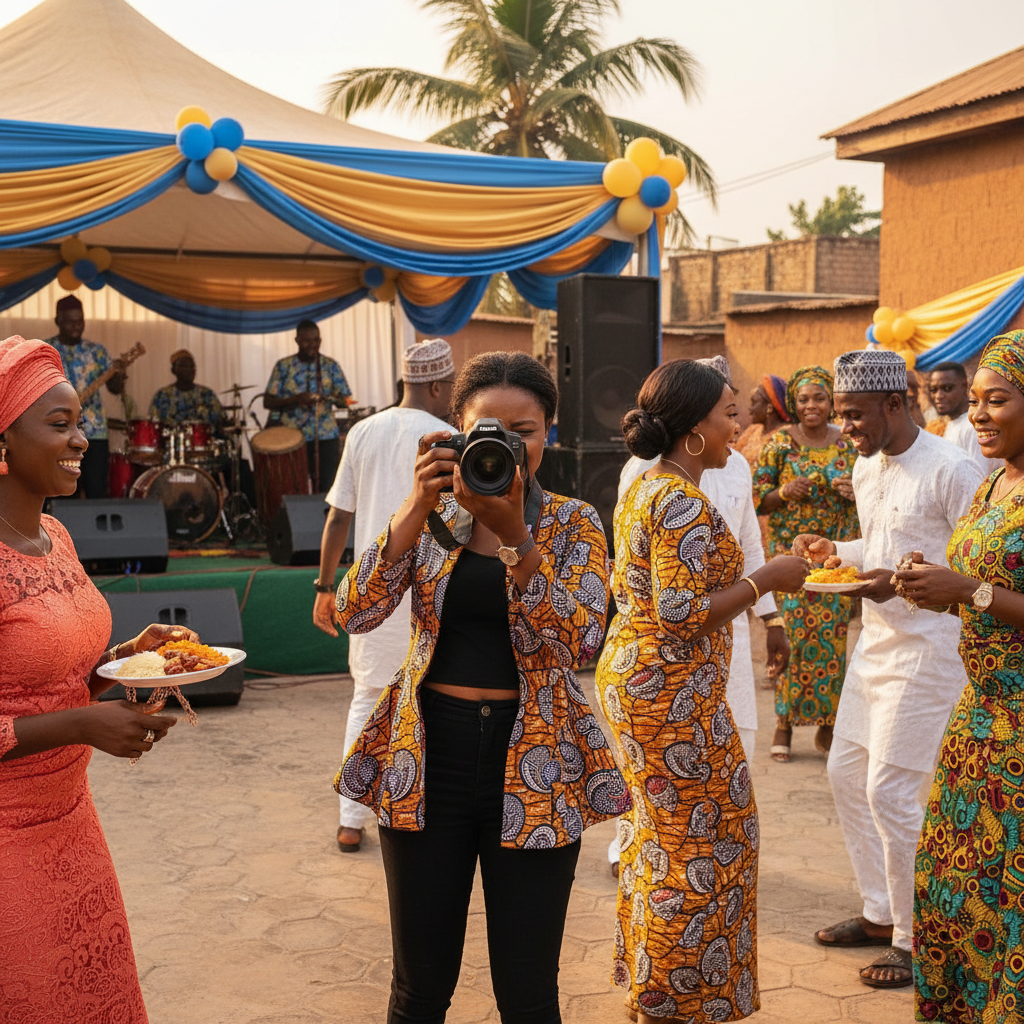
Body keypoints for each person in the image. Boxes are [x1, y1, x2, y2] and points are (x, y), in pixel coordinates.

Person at [333, 351, 628, 1023]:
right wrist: (414, 504)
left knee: (527, 994)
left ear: (548, 431)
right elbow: (355, 612)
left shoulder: (574, 523)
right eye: (484, 429)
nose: (506, 445)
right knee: (418, 990)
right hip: (425, 760)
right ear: (454, 431)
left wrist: (514, 535)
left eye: (523, 429)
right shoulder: (434, 519)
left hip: (536, 766)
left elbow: (581, 641)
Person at [597, 359, 809, 1024]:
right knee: (705, 845)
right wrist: (767, 578)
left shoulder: (646, 486)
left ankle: (653, 985)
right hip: (669, 698)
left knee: (660, 836)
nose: (738, 424)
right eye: (726, 413)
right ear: (693, 430)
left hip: (645, 685)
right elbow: (682, 613)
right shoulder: (682, 502)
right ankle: (678, 997)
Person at [0, 335, 193, 1022]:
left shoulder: (59, 537)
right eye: (59, 425)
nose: (81, 438)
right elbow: (61, 710)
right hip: (8, 839)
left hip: (73, 821)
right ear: (2, 445)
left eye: (78, 420)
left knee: (92, 993)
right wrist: (82, 725)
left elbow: (62, 675)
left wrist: (132, 658)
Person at [795, 348, 984, 990]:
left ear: (895, 405)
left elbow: (973, 566)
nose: (846, 427)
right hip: (874, 644)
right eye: (842, 415)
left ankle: (913, 936)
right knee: (845, 773)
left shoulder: (953, 469)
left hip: (931, 651)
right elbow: (878, 546)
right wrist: (836, 552)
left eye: (855, 415)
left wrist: (893, 585)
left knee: (892, 793)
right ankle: (879, 914)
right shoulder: (866, 464)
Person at [893, 332, 1024, 1022]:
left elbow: (982, 588)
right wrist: (922, 578)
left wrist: (968, 591)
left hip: (1020, 731)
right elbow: (975, 575)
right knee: (951, 881)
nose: (977, 414)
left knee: (1010, 900)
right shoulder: (993, 482)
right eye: (973, 401)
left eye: (995, 400)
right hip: (978, 721)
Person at [313, 339, 455, 853]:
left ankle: (351, 819)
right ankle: (422, 813)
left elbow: (338, 517)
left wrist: (326, 587)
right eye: (450, 388)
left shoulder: (363, 430)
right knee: (433, 707)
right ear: (438, 385)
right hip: (432, 598)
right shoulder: (451, 439)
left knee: (368, 701)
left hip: (374, 591)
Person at [753, 366, 859, 762]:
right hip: (792, 562)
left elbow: (869, 492)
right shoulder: (779, 443)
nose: (811, 405)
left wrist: (854, 492)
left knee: (833, 643)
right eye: (803, 399)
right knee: (791, 640)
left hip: (835, 560)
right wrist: (785, 490)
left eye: (819, 398)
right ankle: (784, 726)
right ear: (793, 405)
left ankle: (828, 727)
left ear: (831, 402)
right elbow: (759, 497)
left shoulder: (848, 445)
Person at [45, 294, 126, 498]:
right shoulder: (46, 351)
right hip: (59, 434)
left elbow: (114, 389)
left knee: (95, 489)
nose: (77, 327)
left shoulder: (97, 352)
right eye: (70, 322)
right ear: (58, 321)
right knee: (63, 492)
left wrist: (120, 376)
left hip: (94, 433)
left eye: (80, 321)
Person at [264, 319, 352, 492]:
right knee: (295, 487)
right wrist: (295, 399)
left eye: (316, 340)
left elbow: (346, 400)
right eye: (307, 341)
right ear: (297, 340)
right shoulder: (284, 366)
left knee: (326, 487)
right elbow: (268, 401)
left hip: (325, 435)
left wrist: (333, 398)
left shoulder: (330, 366)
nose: (312, 345)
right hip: (292, 438)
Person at [928, 360, 1001, 473]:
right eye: (934, 390)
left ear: (965, 386)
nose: (939, 396)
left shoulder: (973, 426)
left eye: (947, 388)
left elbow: (979, 478)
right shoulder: (954, 424)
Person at [148, 349, 226, 428]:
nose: (189, 370)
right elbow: (153, 424)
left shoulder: (206, 394)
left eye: (192, 366)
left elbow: (221, 420)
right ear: (173, 370)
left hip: (201, 439)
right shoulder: (162, 395)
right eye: (184, 366)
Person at [734, 373, 791, 468]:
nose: (751, 409)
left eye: (754, 402)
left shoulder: (786, 436)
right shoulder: (754, 429)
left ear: (769, 408)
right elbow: (733, 457)